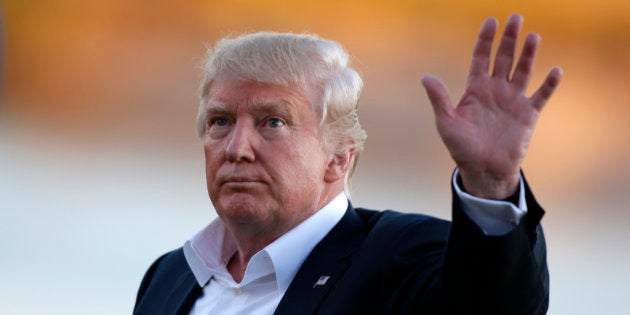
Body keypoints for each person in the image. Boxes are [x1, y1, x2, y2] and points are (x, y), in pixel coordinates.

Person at [133, 14, 561, 315]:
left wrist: (491, 183)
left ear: (339, 156)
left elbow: (493, 305)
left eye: (273, 122)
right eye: (221, 122)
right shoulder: (169, 277)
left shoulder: (400, 260)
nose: (237, 148)